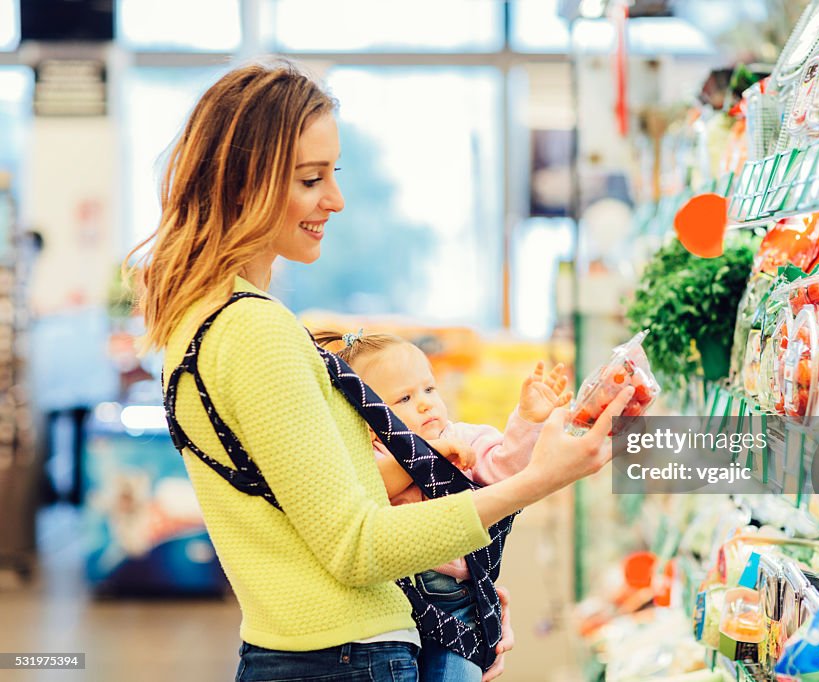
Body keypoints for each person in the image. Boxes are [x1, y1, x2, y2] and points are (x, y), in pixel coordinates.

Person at [124, 57, 633, 682]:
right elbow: (357, 547)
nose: (334, 200)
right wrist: (540, 480)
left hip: (304, 649)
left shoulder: (199, 325)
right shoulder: (254, 329)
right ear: (242, 184)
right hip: (346, 660)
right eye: (310, 180)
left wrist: (453, 601)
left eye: (331, 174)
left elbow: (314, 530)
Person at [316, 330, 569, 682]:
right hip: (391, 604)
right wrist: (425, 454)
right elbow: (371, 486)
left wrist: (528, 420)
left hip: (456, 605)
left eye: (429, 389)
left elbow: (504, 468)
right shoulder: (368, 455)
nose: (425, 404)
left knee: (457, 674)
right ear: (367, 418)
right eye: (404, 398)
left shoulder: (462, 437)